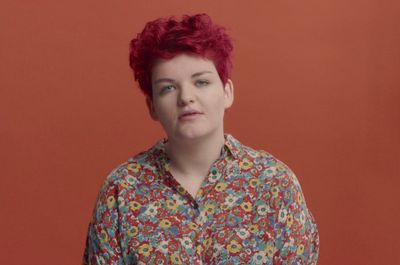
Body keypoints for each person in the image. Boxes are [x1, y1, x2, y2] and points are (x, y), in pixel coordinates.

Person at [83, 13, 319, 265]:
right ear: (152, 106)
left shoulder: (275, 183)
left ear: (227, 92)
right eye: (168, 88)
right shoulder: (121, 190)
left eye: (202, 82)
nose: (186, 97)